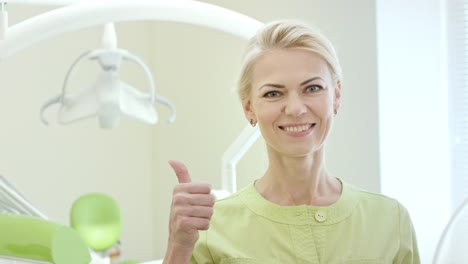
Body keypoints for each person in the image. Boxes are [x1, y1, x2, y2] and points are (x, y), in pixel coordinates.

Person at [163, 20, 420, 264]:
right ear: (249, 108)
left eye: (312, 88)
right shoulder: (210, 226)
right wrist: (179, 246)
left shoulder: (390, 222)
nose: (295, 109)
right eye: (273, 93)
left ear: (336, 95)